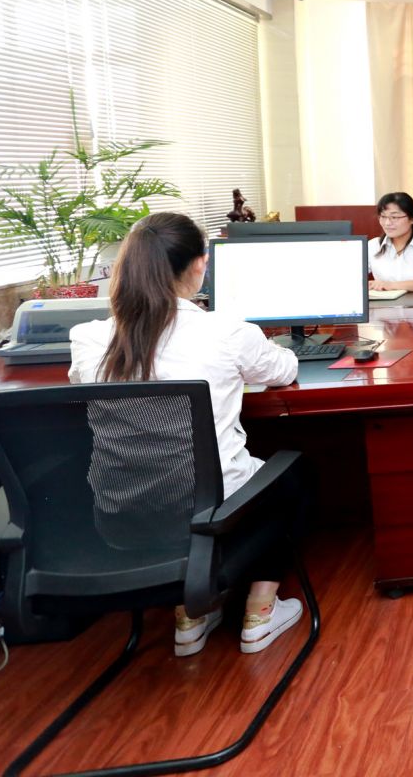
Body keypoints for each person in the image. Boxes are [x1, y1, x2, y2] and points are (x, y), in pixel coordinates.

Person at [70, 212, 304, 656]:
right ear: (200, 265)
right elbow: (283, 370)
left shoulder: (89, 338)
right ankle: (260, 611)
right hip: (211, 511)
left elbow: (79, 383)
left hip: (120, 519)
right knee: (291, 476)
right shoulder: (225, 332)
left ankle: (191, 615)